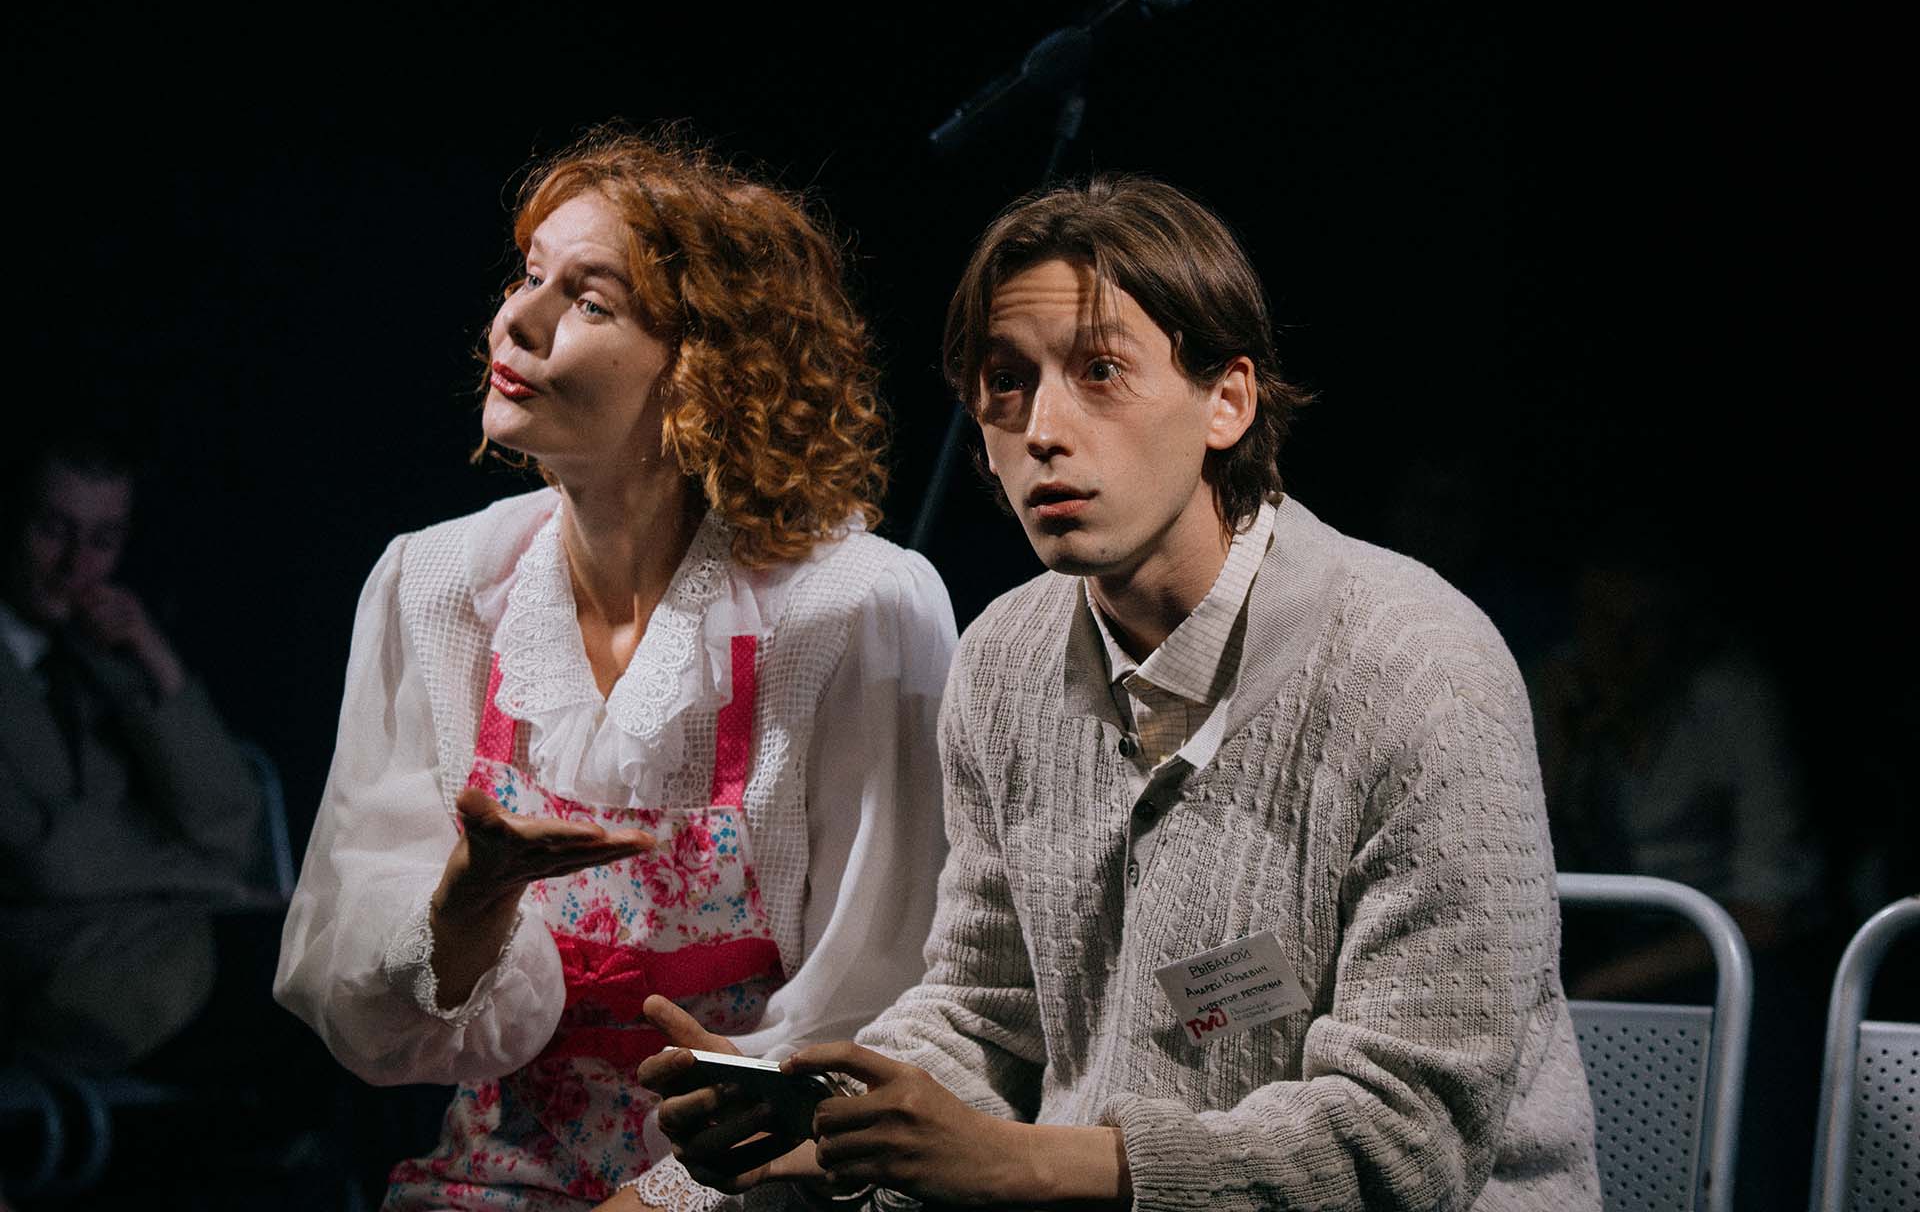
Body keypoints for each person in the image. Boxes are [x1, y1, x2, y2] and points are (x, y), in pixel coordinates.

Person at [641, 176, 1603, 1210]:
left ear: (1227, 401)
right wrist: (823, 1117)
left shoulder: (1418, 667)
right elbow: (987, 1008)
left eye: (1100, 370)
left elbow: (1407, 1139)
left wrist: (1018, 1162)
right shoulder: (1005, 657)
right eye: (1006, 383)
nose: (1043, 428)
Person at [273, 129, 956, 1211]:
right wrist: (470, 900)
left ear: (705, 371)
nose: (518, 319)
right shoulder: (440, 585)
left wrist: (667, 1197)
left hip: (755, 1185)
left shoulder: (850, 610)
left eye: (589, 301)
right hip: (496, 1178)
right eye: (528, 275)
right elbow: (358, 1001)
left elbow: (882, 1011)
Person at [0, 434, 260, 1073]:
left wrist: (154, 657)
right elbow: (38, 859)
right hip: (38, 965)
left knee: (350, 989)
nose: (75, 566)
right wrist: (199, 878)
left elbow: (230, 828)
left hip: (135, 946)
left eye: (103, 540)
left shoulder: (103, 661)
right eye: (52, 530)